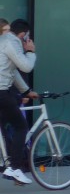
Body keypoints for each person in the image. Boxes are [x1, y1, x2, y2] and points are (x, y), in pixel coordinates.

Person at [0, 18, 36, 184]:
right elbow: (26, 67)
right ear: (24, 35)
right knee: (21, 127)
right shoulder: (11, 42)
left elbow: (11, 71)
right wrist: (30, 52)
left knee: (4, 128)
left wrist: (26, 91)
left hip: (4, 91)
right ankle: (14, 168)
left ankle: (8, 163)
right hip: (2, 92)